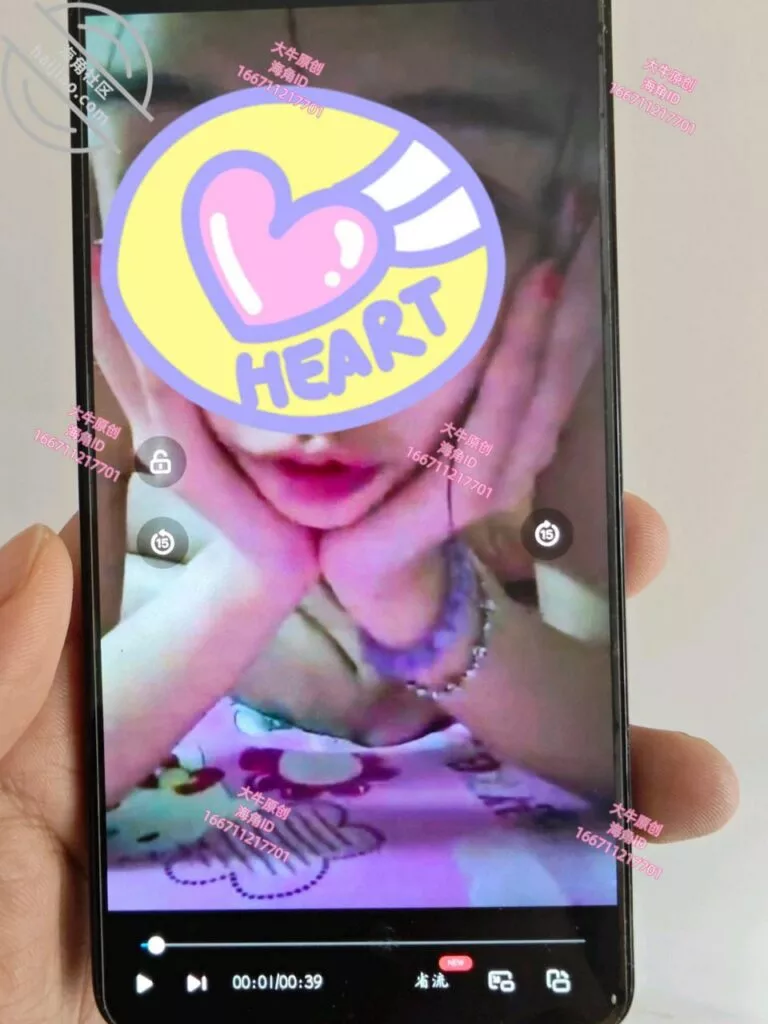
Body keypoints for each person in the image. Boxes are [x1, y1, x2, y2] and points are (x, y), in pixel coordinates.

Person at [0, 514, 739, 1022]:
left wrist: (445, 640)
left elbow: (576, 718)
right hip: (174, 958)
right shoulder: (163, 580)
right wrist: (239, 595)